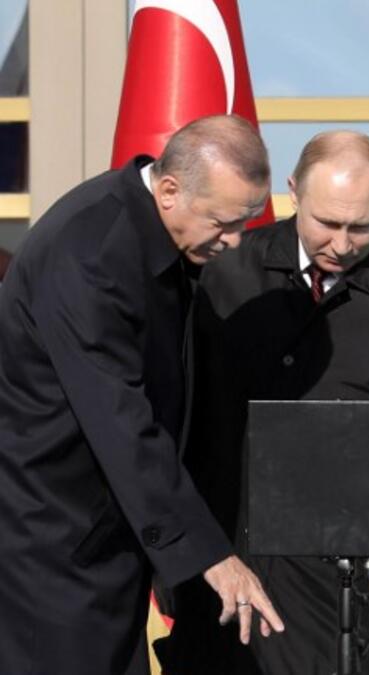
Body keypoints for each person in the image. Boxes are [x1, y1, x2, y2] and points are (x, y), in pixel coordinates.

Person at [159, 130, 369, 674]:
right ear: (293, 194)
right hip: (222, 576)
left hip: (349, 597)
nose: (344, 244)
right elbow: (177, 421)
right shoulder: (222, 273)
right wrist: (175, 561)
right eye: (328, 223)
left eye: (362, 227)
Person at [0, 115, 286, 675]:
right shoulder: (93, 252)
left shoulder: (156, 233)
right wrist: (210, 555)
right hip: (46, 544)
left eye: (246, 222)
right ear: (171, 190)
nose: (234, 240)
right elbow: (122, 420)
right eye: (223, 222)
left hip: (100, 539)